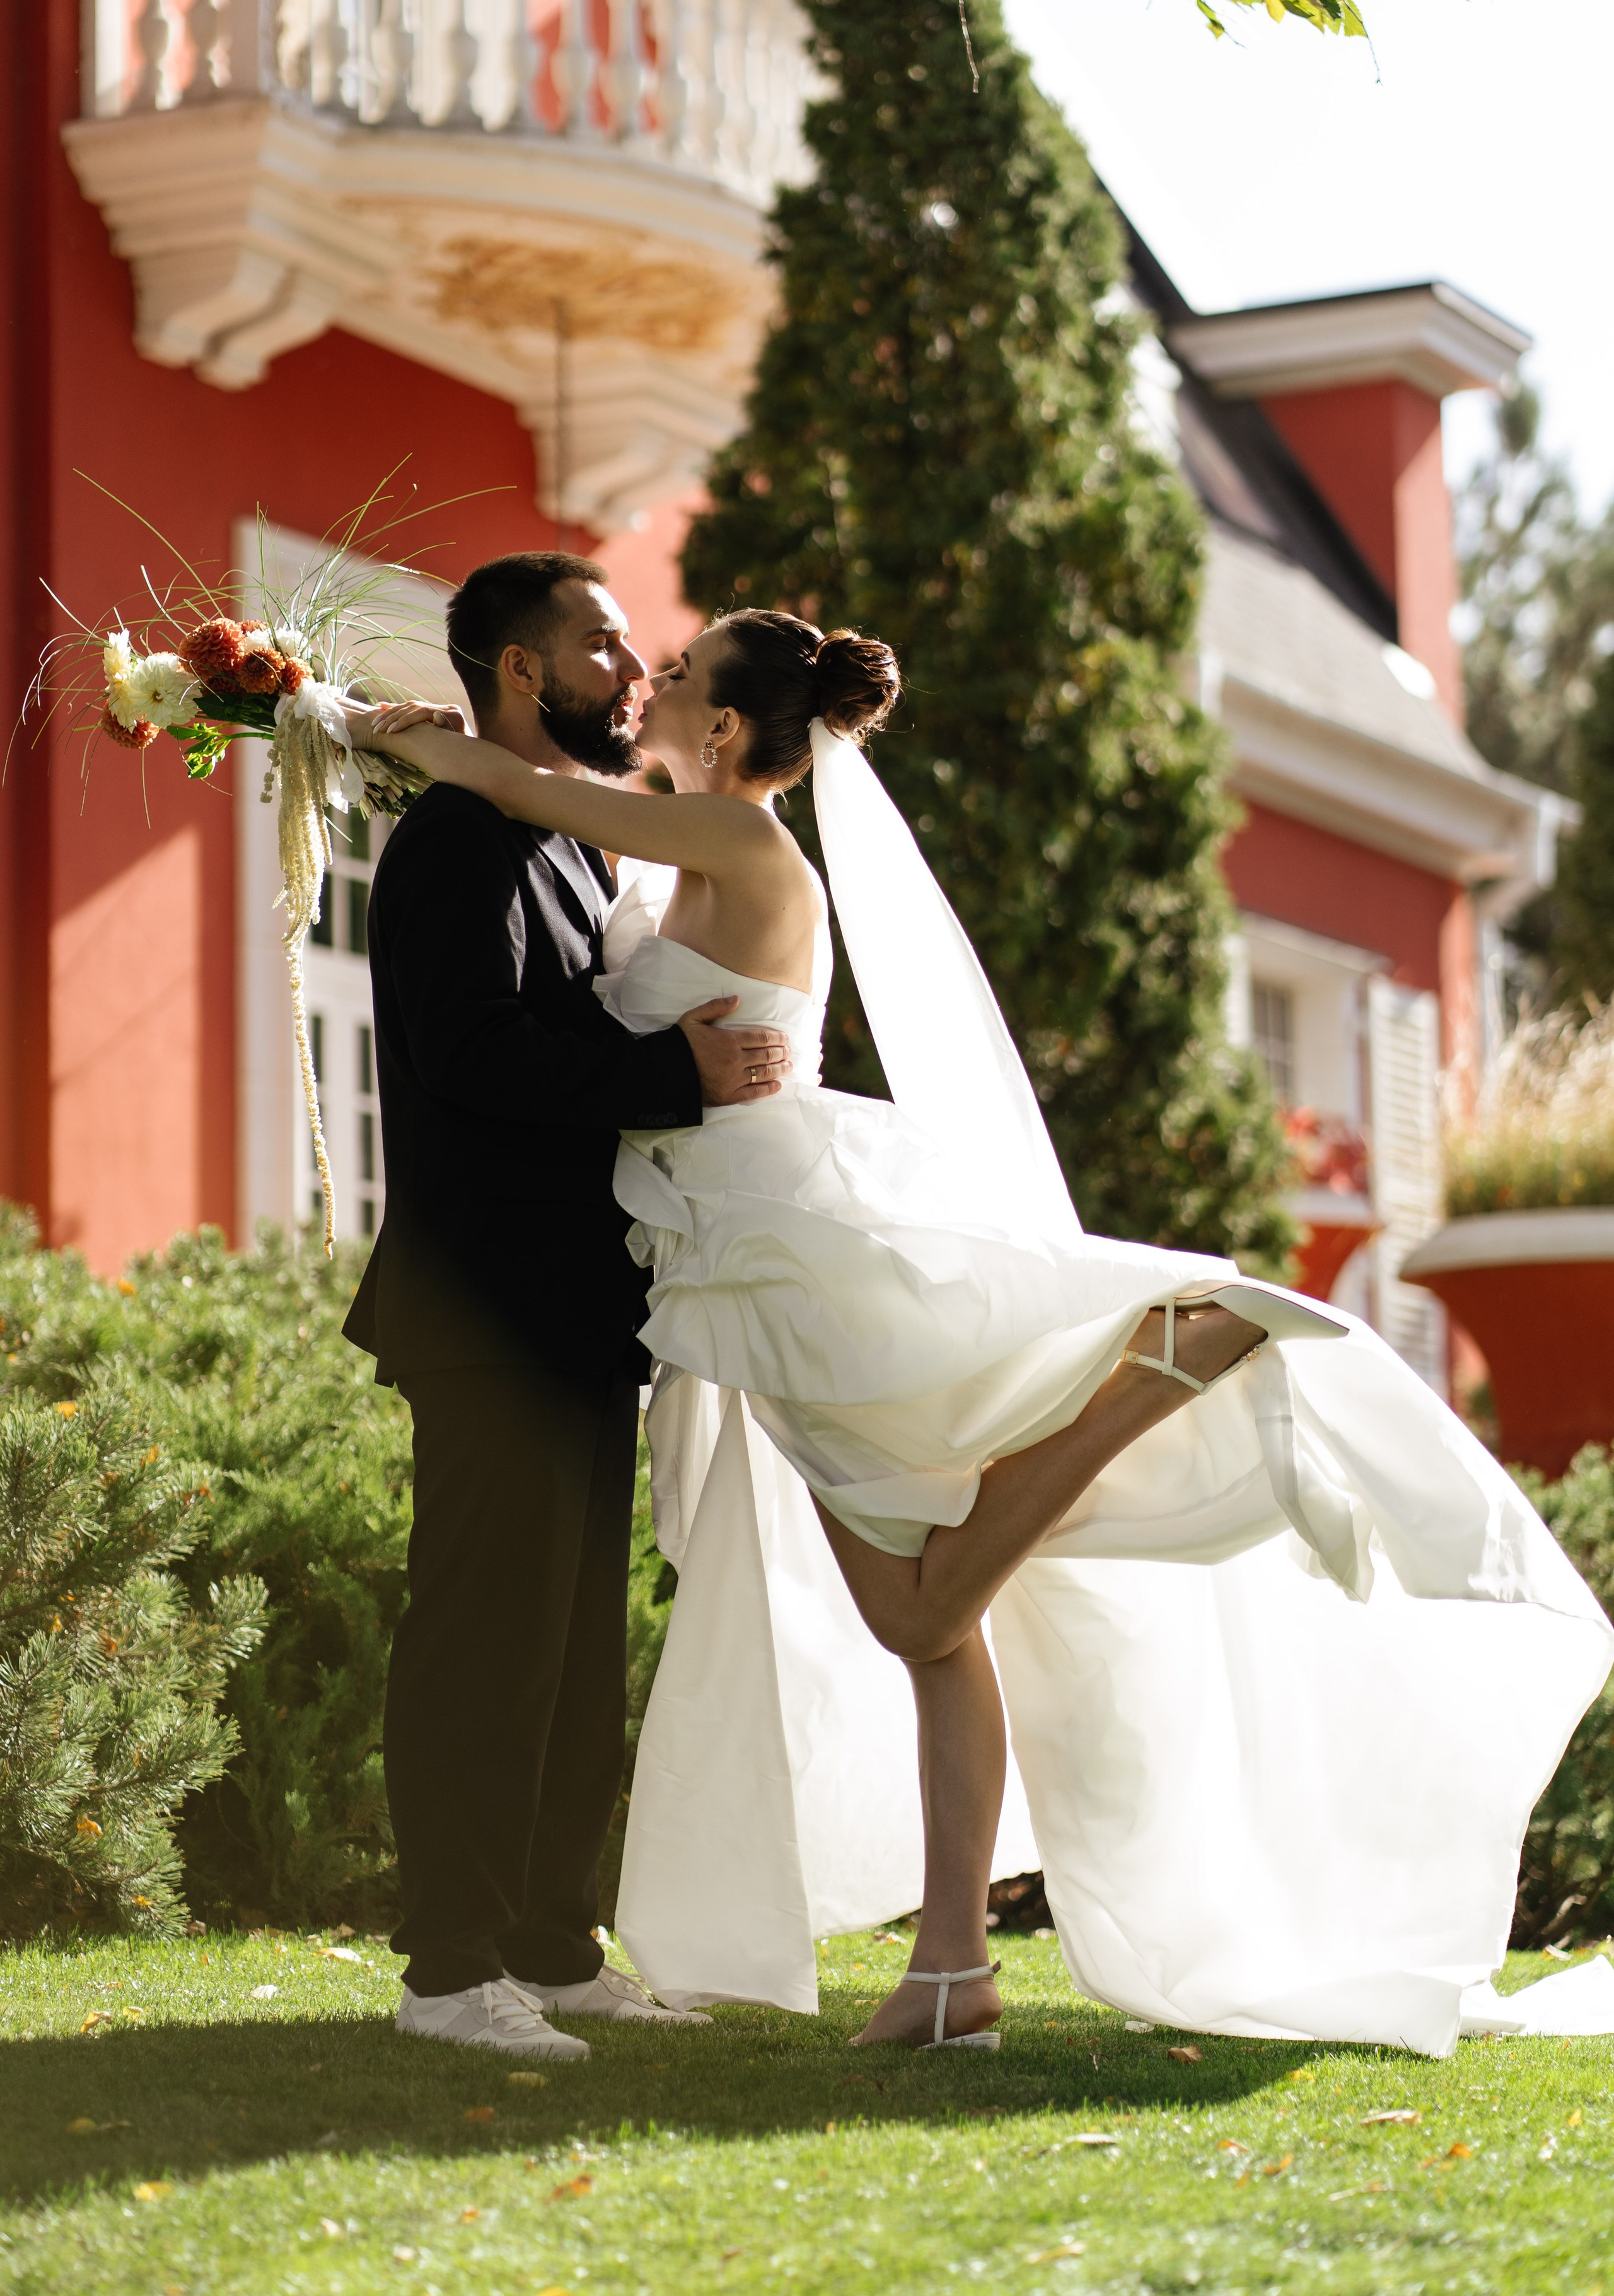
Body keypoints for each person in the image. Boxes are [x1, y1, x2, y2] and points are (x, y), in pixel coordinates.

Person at [347, 609, 1614, 2060]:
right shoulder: (676, 840)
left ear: (718, 732)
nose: (651, 682)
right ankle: (951, 1966)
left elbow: (514, 789)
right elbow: (551, 886)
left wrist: (353, 726)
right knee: (933, 1627)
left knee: (921, 1612)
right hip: (743, 1263)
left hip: (790, 1269)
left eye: (678, 675)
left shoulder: (749, 851)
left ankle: (1142, 1377)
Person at [344, 552, 794, 2057]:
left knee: (574, 1649)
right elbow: (474, 1056)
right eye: (606, 642)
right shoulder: (455, 845)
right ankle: (446, 1973)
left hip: (584, 1307)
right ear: (525, 671)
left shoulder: (575, 843)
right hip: (483, 1307)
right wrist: (676, 1076)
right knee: (483, 1634)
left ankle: (550, 1940)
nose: (636, 662)